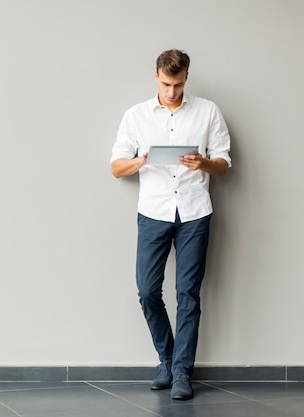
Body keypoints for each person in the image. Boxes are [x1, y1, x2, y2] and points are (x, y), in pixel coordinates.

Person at [110, 49, 231, 400]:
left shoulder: (208, 111)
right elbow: (116, 167)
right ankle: (166, 359)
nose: (172, 92)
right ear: (156, 76)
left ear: (186, 78)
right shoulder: (136, 116)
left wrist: (203, 163)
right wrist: (141, 160)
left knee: (187, 295)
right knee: (148, 291)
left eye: (178, 84)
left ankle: (181, 372)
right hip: (153, 212)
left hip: (194, 212)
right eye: (166, 83)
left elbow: (224, 163)